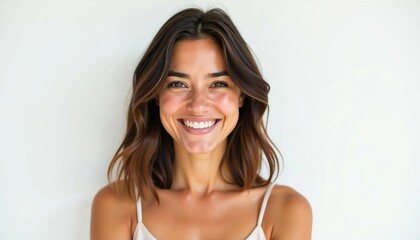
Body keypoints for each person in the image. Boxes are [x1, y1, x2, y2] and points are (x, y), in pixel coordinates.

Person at [91, 8, 312, 240]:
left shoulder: (285, 211)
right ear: (156, 95)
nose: (197, 105)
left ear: (242, 95)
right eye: (178, 84)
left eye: (218, 84)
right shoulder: (116, 205)